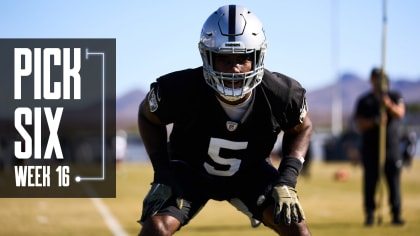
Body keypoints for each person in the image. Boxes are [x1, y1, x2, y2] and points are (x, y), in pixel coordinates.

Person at [137, 5, 312, 236]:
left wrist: (287, 180)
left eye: (243, 58)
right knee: (156, 228)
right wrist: (162, 174)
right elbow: (147, 116)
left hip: (250, 174)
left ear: (258, 56)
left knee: (296, 227)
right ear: (207, 57)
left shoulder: (282, 94)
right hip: (189, 172)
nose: (235, 69)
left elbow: (302, 127)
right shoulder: (180, 89)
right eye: (224, 59)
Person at [354, 68, 406, 226]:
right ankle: (370, 215)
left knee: (394, 182)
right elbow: (360, 123)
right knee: (370, 183)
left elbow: (400, 113)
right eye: (376, 79)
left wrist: (389, 105)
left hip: (391, 148)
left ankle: (396, 215)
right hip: (371, 149)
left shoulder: (394, 96)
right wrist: (375, 121)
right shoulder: (365, 101)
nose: (378, 82)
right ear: (371, 80)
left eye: (381, 79)